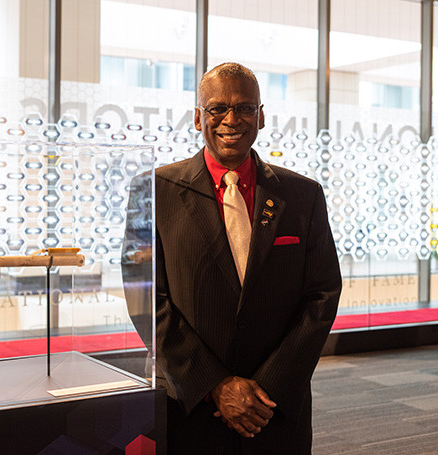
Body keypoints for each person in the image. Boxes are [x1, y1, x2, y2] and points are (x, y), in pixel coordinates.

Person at [147, 62, 342, 454]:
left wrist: (267, 387)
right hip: (192, 408)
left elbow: (322, 295)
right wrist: (215, 386)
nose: (231, 119)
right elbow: (147, 297)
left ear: (261, 116)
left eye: (245, 107)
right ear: (198, 117)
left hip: (273, 409)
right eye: (217, 108)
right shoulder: (156, 191)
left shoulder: (303, 196)